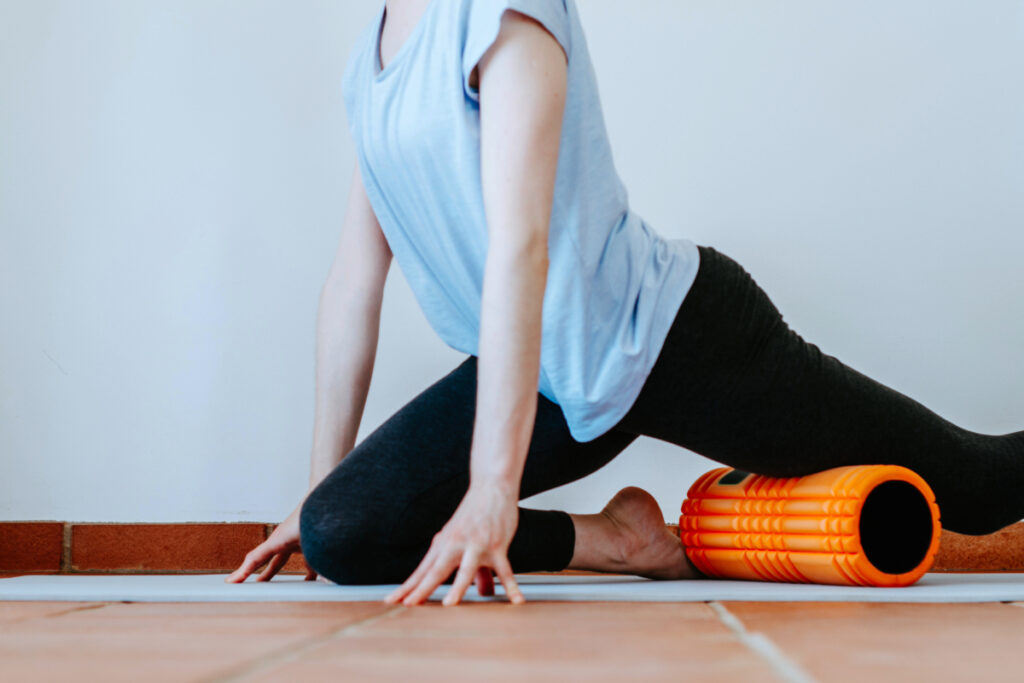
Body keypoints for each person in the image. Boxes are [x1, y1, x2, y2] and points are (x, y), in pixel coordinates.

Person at [227, 0, 1024, 606]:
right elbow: (352, 284)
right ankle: (616, 539)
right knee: (342, 532)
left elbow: (520, 247)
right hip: (543, 372)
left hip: (673, 338)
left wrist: (493, 486)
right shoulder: (370, 63)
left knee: (979, 489)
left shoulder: (504, 13)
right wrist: (312, 486)